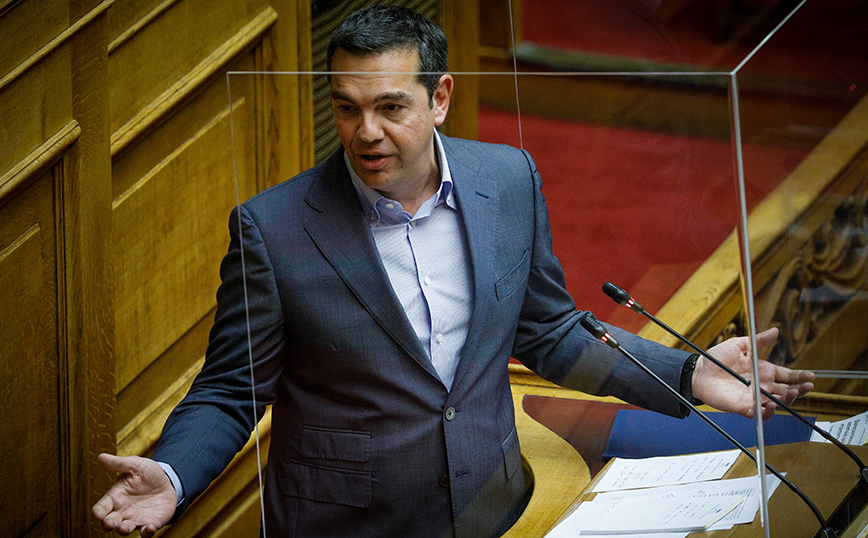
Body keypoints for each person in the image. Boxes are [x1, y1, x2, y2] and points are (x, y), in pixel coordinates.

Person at [92, 5, 815, 538]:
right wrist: (175, 474)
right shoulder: (272, 229)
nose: (366, 133)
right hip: (347, 525)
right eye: (347, 109)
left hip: (496, 509)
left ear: (439, 98)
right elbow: (230, 389)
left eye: (390, 108)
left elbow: (551, 331)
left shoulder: (508, 178)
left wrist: (688, 374)